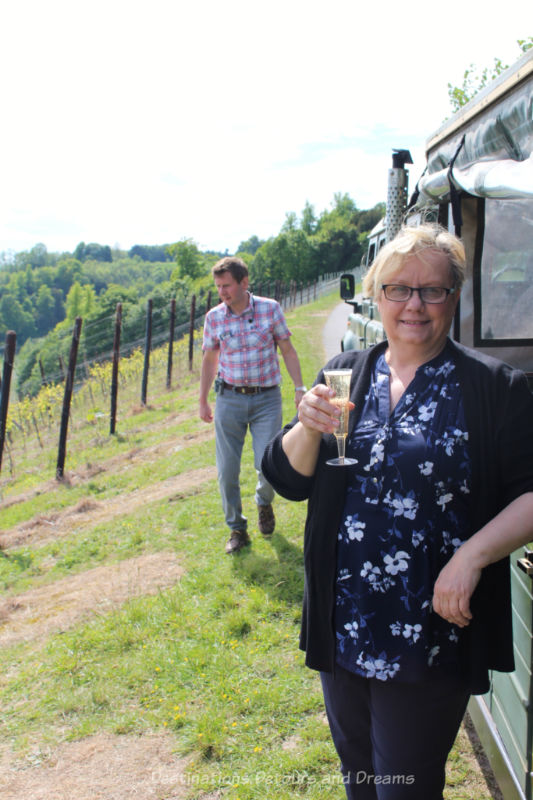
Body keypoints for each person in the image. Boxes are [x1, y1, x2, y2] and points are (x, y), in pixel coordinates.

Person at [262, 223, 533, 799]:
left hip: (430, 627)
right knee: (359, 776)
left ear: (454, 296)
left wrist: (472, 557)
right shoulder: (347, 370)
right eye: (398, 289)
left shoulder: (493, 388)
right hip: (344, 617)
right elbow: (286, 478)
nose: (414, 304)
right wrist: (306, 427)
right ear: (376, 295)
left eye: (432, 290)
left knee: (404, 787)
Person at [200, 256, 306, 554]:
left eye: (227, 285)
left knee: (267, 464)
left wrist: (299, 387)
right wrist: (203, 400)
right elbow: (209, 359)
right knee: (227, 469)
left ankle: (264, 502)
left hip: (266, 399)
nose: (222, 292)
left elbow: (287, 348)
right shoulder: (214, 318)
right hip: (229, 398)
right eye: (218, 286)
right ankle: (236, 529)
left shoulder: (270, 309)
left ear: (244, 283)